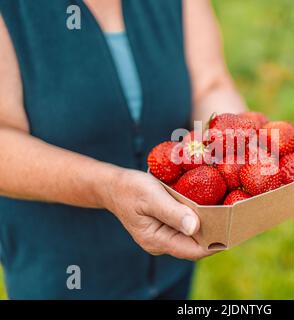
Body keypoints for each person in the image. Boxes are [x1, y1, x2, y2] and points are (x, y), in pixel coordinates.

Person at [0, 0, 247, 299]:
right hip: (62, 273)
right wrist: (108, 187)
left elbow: (209, 85)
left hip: (175, 257)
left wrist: (234, 145)